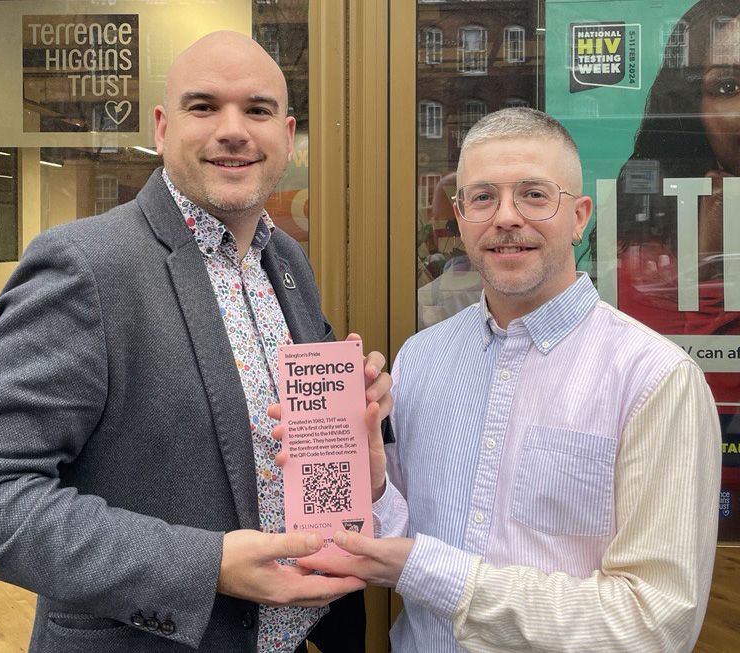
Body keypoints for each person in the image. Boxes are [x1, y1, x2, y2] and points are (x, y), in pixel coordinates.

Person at [0, 31, 391, 653]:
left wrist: (360, 436)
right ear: (162, 128)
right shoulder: (85, 266)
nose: (234, 130)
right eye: (204, 107)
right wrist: (205, 565)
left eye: (257, 109)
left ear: (287, 132)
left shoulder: (287, 262)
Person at [297, 108, 722, 652]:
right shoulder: (422, 360)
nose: (506, 217)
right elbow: (393, 538)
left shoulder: (655, 381)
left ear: (580, 216)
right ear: (460, 216)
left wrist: (441, 576)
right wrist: (371, 487)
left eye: (535, 195)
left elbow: (654, 623)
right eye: (482, 197)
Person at [615, 0, 740, 486]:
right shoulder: (651, 254)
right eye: (727, 87)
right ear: (694, 110)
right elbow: (694, 401)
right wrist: (708, 267)